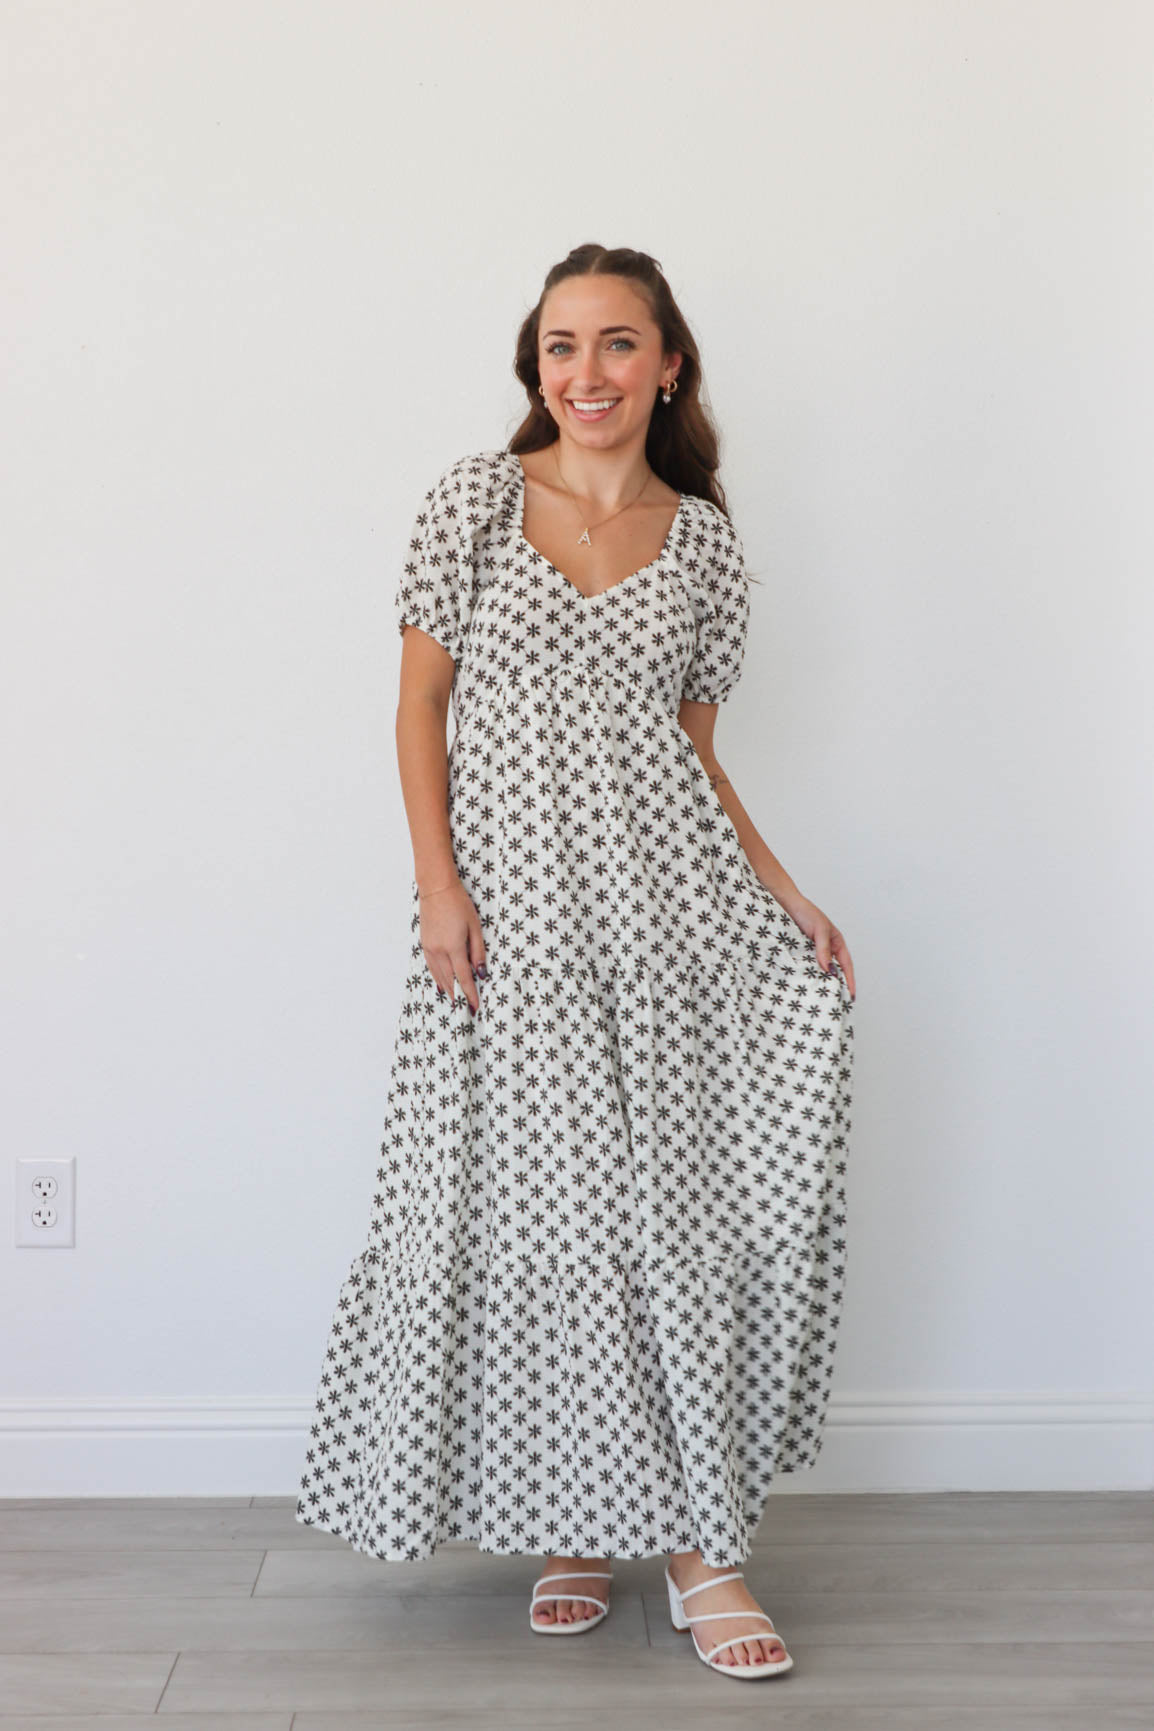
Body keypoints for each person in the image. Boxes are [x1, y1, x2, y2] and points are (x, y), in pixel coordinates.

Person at [295, 244, 857, 1682]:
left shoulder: (708, 547)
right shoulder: (473, 503)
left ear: (668, 363)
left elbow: (693, 756)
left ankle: (700, 1550)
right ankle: (572, 1520)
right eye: (559, 346)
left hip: (664, 920)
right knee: (544, 1213)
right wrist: (438, 886)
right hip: (505, 920)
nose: (586, 373)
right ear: (531, 365)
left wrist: (781, 891)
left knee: (662, 1210)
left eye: (617, 344)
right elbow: (418, 708)